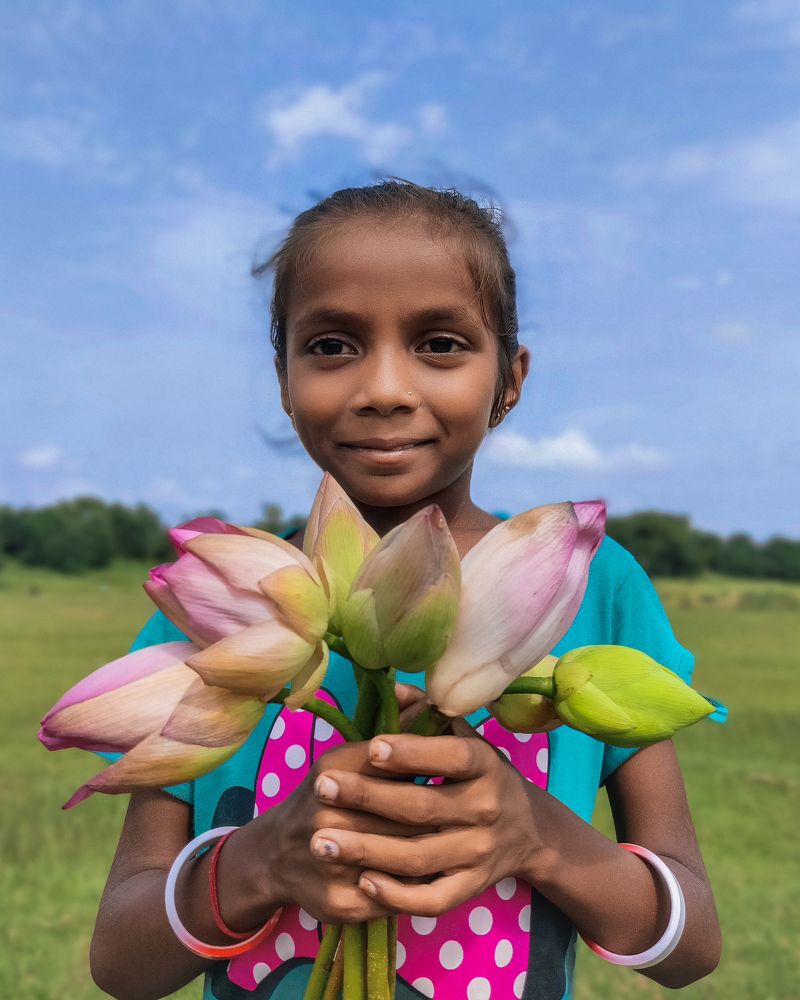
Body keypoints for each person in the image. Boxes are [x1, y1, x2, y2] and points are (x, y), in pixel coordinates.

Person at [89, 180, 721, 1000]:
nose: (385, 387)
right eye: (331, 346)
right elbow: (121, 965)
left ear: (511, 379)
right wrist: (258, 860)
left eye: (441, 343)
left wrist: (537, 837)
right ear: (283, 379)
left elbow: (690, 947)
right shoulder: (225, 600)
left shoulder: (589, 583)